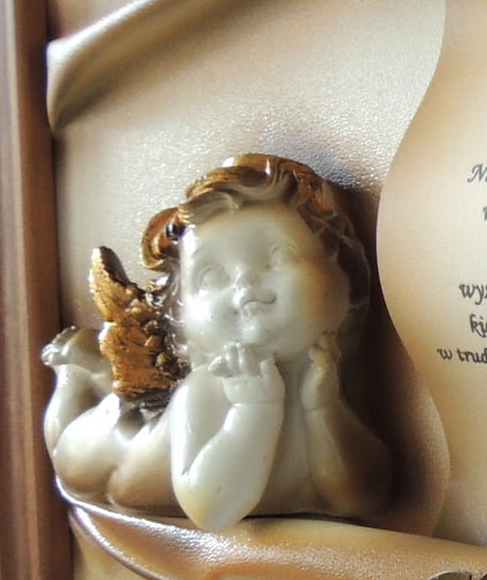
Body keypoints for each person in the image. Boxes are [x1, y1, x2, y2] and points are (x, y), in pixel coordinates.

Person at [43, 155, 389, 529]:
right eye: (210, 277)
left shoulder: (323, 378)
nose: (245, 282)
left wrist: (324, 408)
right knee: (69, 456)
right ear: (182, 326)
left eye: (278, 256)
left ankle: (101, 375)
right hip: (121, 456)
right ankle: (74, 376)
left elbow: (359, 496)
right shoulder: (207, 389)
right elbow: (210, 508)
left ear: (349, 281)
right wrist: (253, 409)